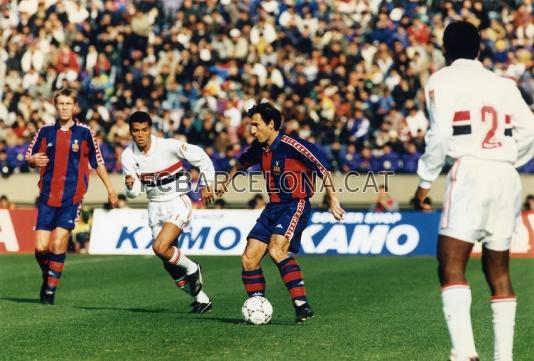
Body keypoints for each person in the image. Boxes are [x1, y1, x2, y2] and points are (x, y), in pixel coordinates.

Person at [413, 21, 534, 361]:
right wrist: (508, 157)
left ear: (444, 49)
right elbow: (531, 130)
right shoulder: (504, 84)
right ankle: (503, 357)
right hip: (506, 175)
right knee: (499, 270)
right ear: (479, 48)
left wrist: (425, 180)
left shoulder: (441, 80)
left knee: (450, 264)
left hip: (469, 171)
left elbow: (438, 135)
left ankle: (465, 353)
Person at [217, 102, 345, 323]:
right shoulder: (260, 147)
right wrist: (224, 183)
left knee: (277, 249)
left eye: (256, 125)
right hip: (272, 208)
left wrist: (333, 199)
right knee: (249, 259)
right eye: (251, 125)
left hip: (295, 204)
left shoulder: (292, 145)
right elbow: (241, 164)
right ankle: (257, 306)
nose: (252, 130)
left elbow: (323, 168)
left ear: (271, 124)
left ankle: (301, 305)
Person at [25, 88, 119, 305]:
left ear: (75, 106)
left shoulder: (85, 132)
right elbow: (30, 155)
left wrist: (111, 189)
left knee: (58, 245)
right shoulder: (45, 131)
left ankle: (49, 291)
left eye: (68, 103)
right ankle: (47, 274)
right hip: (48, 196)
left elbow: (98, 162)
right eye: (61, 103)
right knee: (40, 248)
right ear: (55, 105)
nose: (65, 107)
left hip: (72, 198)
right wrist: (32, 161)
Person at [120, 111, 215, 313]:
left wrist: (206, 184)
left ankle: (193, 268)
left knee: (160, 247)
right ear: (130, 132)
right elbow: (134, 193)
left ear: (150, 129)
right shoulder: (128, 155)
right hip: (155, 207)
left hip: (177, 201)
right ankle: (202, 299)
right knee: (169, 264)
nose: (140, 135)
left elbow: (201, 157)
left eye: (144, 130)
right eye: (135, 131)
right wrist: (129, 186)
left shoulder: (168, 146)